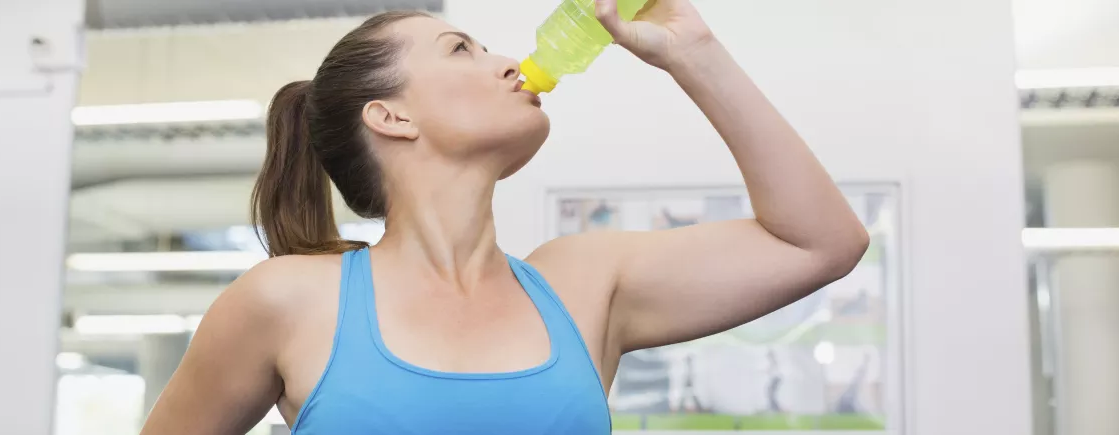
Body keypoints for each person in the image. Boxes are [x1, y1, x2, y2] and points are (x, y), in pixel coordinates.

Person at [139, 0, 869, 433]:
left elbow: (820, 241)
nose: (508, 64)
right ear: (389, 115)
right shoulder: (289, 299)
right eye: (463, 49)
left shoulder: (583, 282)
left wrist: (695, 53)